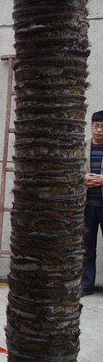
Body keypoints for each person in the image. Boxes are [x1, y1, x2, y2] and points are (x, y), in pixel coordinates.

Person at [82, 110, 103, 296]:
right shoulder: (82, 148)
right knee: (87, 248)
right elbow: (72, 172)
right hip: (88, 206)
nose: (99, 130)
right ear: (91, 126)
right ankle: (86, 285)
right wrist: (84, 178)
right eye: (96, 125)